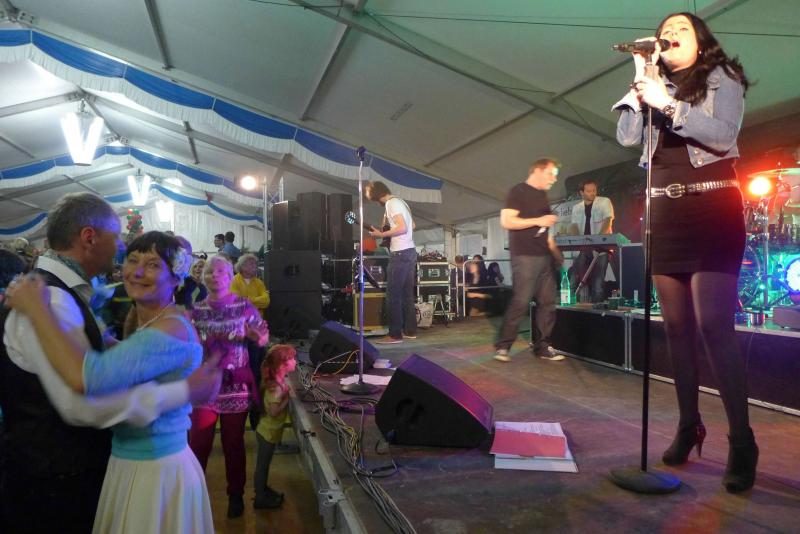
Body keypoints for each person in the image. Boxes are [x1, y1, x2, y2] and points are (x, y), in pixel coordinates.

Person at [0, 194, 220, 534]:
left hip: (150, 470)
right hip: (67, 475)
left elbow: (91, 375)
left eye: (153, 265)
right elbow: (82, 403)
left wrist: (38, 311)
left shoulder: (44, 299)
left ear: (176, 278)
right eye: (131, 256)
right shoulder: (55, 297)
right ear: (89, 237)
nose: (133, 268)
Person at [614, 12, 756, 493]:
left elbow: (723, 136)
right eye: (666, 30)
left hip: (712, 207)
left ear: (701, 41)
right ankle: (688, 425)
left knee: (714, 325)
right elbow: (626, 137)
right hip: (665, 212)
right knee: (675, 328)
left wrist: (669, 105)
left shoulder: (722, 77)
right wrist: (642, 80)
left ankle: (742, 441)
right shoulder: (653, 82)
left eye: (682, 29)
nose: (671, 34)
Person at [189, 255, 269, 518]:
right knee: (198, 444)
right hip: (205, 387)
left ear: (229, 275)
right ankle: (193, 498)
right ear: (203, 277)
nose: (214, 275)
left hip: (235, 385)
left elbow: (263, 338)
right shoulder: (196, 310)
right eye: (210, 272)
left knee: (233, 443)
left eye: (220, 271)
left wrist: (256, 336)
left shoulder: (244, 305)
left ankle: (236, 496)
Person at [494, 159, 565, 363]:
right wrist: (538, 220)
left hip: (544, 256)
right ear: (538, 171)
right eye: (551, 174)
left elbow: (544, 230)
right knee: (521, 300)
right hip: (524, 255)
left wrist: (554, 250)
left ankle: (543, 346)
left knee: (547, 303)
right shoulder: (518, 191)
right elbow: (506, 221)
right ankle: (503, 346)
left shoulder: (542, 196)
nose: (554, 179)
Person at [366, 181, 417, 344]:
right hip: (410, 251)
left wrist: (382, 234)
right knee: (407, 294)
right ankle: (410, 330)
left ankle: (395, 335)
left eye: (368, 191)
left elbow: (402, 228)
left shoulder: (391, 203)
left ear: (375, 193)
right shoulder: (401, 202)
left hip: (400, 253)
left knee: (393, 295)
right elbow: (412, 225)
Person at [253, 344, 297, 510]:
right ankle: (260, 497)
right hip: (267, 433)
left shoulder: (277, 382)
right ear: (282, 365)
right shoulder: (276, 388)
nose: (295, 362)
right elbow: (273, 412)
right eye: (292, 359)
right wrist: (287, 398)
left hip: (268, 432)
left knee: (264, 465)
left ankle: (263, 490)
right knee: (262, 466)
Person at [569, 180, 615, 302]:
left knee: (598, 283)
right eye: (589, 191)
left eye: (594, 190)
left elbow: (608, 220)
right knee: (574, 279)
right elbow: (574, 225)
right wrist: (576, 240)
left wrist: (598, 240)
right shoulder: (576, 208)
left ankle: (597, 308)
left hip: (601, 248)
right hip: (583, 248)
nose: (592, 193)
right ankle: (571, 308)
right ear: (581, 193)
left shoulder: (604, 202)